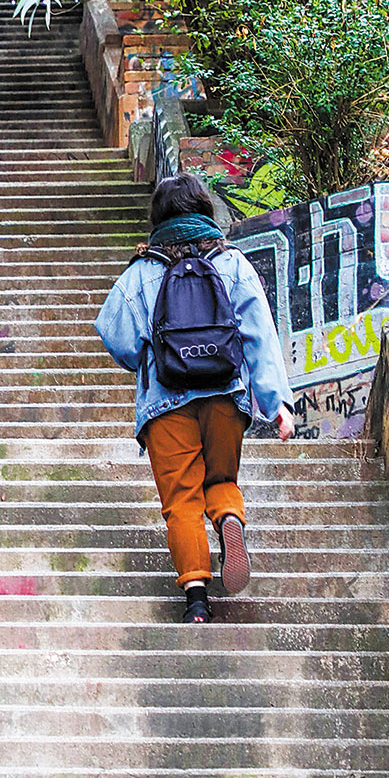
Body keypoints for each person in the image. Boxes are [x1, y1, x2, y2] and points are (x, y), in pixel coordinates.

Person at [94, 174, 294, 624]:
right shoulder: (233, 264)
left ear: (158, 218)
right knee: (220, 478)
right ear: (205, 209)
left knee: (182, 498)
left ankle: (198, 601)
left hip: (167, 403)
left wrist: (146, 356)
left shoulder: (141, 273)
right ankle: (228, 517)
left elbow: (116, 336)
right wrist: (276, 404)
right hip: (226, 395)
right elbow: (259, 334)